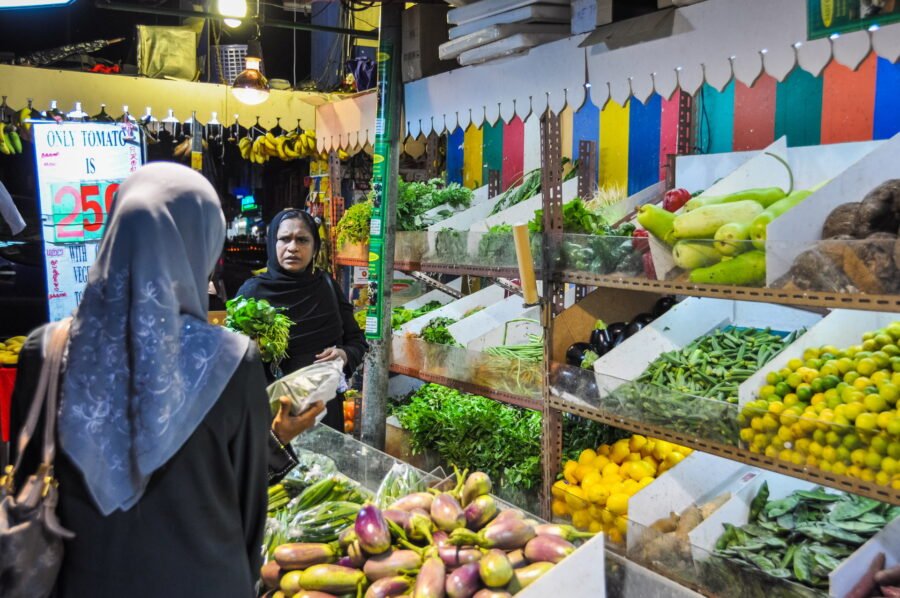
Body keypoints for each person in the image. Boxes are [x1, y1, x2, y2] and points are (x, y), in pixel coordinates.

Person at [8, 163, 321, 598]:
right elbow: (251, 511)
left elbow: (25, 481)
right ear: (201, 247)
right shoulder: (233, 359)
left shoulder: (45, 351)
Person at [237, 209, 368, 431]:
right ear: (273, 243)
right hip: (274, 416)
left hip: (325, 412)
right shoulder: (252, 293)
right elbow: (234, 364)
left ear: (315, 247)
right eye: (284, 239)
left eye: (302, 240)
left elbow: (357, 341)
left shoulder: (327, 287)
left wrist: (344, 354)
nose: (293, 247)